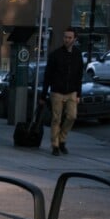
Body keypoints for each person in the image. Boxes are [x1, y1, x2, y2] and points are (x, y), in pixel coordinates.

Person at [40, 27, 84, 156]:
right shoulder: (55, 55)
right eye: (65, 37)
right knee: (56, 119)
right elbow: (47, 76)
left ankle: (62, 139)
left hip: (71, 92)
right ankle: (55, 145)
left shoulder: (77, 54)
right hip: (57, 91)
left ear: (74, 39)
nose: (66, 40)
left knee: (72, 116)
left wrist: (78, 94)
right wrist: (43, 95)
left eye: (69, 37)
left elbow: (79, 75)